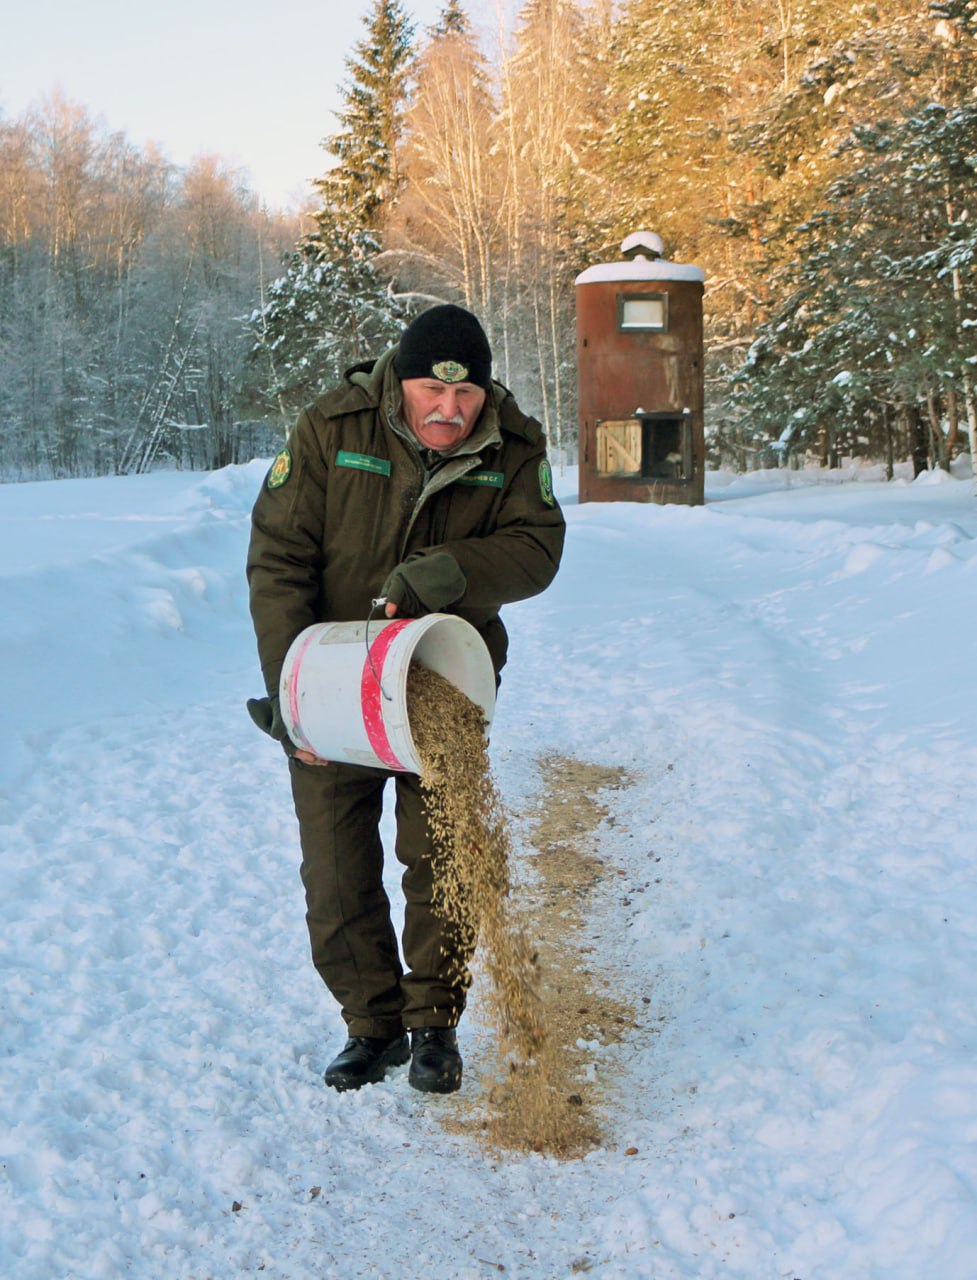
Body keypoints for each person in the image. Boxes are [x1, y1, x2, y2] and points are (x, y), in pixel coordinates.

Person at [246, 304, 565, 1095]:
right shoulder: (333, 427)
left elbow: (537, 550)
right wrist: (291, 692)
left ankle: (433, 1025)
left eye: (467, 397)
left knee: (442, 858)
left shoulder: (516, 445)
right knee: (335, 869)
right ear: (401, 380)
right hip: (331, 680)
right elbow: (280, 557)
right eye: (432, 391)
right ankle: (372, 1025)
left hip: (440, 681)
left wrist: (443, 572)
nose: (450, 412)